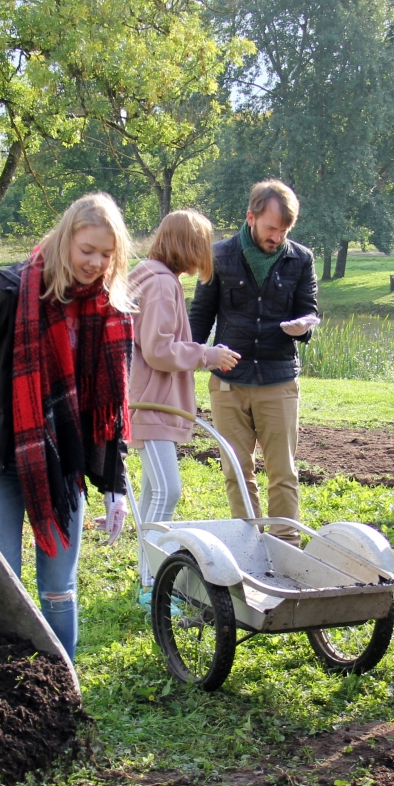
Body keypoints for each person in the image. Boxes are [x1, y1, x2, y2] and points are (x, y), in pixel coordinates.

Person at [0, 193, 136, 660]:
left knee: (59, 587)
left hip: (65, 464)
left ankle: (63, 684)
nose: (95, 263)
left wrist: (115, 486)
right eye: (87, 251)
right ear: (66, 241)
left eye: (106, 254)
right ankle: (4, 681)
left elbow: (113, 410)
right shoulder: (15, 288)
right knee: (2, 580)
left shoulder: (112, 311)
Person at [188, 180, 319, 541]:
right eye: (271, 228)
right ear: (251, 217)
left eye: (284, 230)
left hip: (278, 380)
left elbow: (309, 313)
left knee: (284, 472)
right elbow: (200, 316)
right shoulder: (218, 256)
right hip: (229, 382)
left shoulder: (302, 259)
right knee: (236, 471)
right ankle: (249, 545)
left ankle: (286, 546)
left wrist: (304, 327)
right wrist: (188, 358)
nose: (277, 237)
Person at [128, 210, 241, 595]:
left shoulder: (151, 275)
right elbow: (158, 350)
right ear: (187, 245)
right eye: (201, 244)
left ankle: (147, 580)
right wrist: (206, 355)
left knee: (152, 491)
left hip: (149, 401)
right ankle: (153, 586)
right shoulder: (160, 284)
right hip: (152, 404)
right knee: (167, 491)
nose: (204, 253)